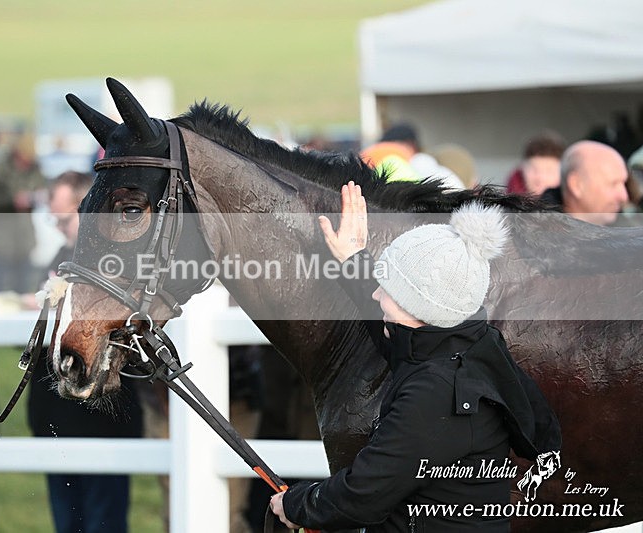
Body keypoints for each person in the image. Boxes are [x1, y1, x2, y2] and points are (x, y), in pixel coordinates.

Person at [269, 182, 561, 532]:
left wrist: (294, 504)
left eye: (388, 288)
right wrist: (353, 261)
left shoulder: (435, 393)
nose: (377, 293)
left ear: (418, 307)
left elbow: (364, 493)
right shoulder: (468, 343)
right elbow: (398, 333)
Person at [26, 170, 144, 533]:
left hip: (103, 418)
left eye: (63, 218)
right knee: (67, 522)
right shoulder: (61, 256)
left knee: (103, 521)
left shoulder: (117, 266)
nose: (58, 226)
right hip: (56, 417)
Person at [0, 133, 47, 293]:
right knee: (2, 289)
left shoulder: (35, 168)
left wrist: (35, 197)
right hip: (3, 239)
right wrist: (12, 200)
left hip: (25, 238)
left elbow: (42, 187)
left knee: (26, 287)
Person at [540, 140, 629, 226]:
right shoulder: (537, 236)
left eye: (624, 183)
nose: (624, 196)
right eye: (613, 184)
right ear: (576, 185)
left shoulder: (629, 232)